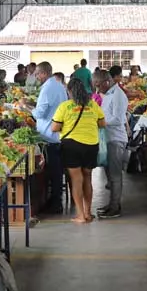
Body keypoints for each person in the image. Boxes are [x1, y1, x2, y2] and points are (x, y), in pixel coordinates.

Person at [51, 77, 106, 224]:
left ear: (69, 91)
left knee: (76, 180)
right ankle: (88, 213)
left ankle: (80, 215)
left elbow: (54, 128)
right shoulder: (93, 105)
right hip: (91, 145)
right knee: (87, 178)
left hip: (71, 146)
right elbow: (102, 124)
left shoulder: (65, 106)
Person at [32, 62, 68, 213]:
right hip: (56, 133)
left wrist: (27, 109)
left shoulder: (47, 88)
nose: (36, 76)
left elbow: (40, 113)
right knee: (56, 170)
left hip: (50, 135)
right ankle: (54, 199)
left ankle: (56, 203)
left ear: (45, 73)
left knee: (54, 170)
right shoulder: (58, 85)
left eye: (38, 73)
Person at [95, 69, 129, 219]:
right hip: (108, 138)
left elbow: (118, 119)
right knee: (109, 175)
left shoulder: (118, 95)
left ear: (107, 82)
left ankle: (115, 207)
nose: (97, 89)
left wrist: (100, 122)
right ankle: (111, 204)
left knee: (115, 175)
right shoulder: (108, 94)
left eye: (98, 85)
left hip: (116, 139)